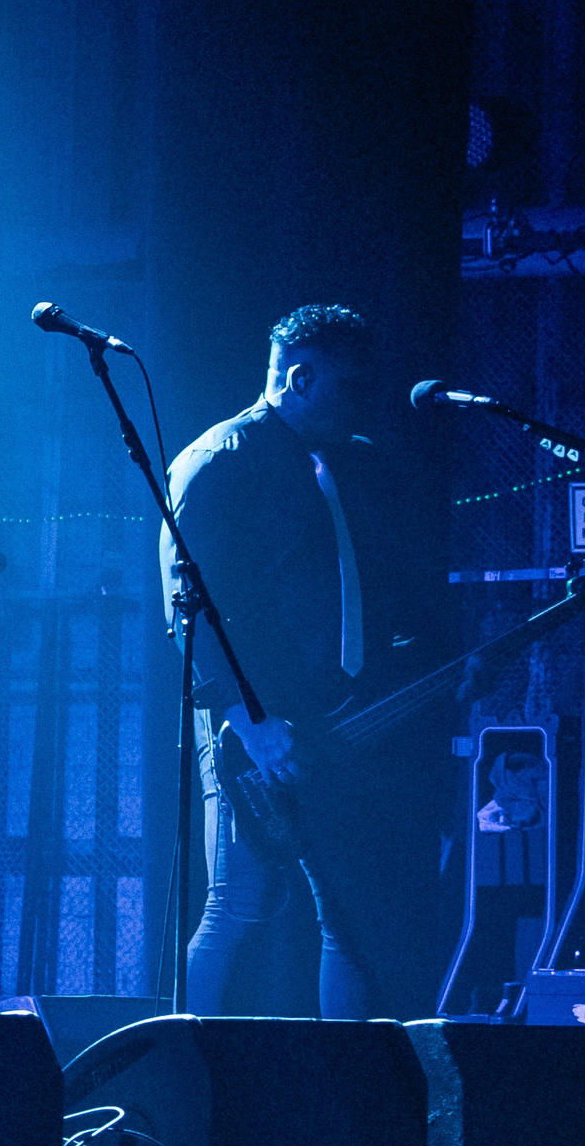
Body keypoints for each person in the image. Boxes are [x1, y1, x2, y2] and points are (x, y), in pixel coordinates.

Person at [163, 302, 435, 1019]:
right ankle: (169, 1067)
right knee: (237, 904)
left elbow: (375, 590)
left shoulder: (355, 463)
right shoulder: (220, 460)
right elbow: (191, 607)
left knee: (345, 915)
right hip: (253, 724)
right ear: (300, 378)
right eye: (350, 387)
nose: (363, 402)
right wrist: (247, 717)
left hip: (340, 720)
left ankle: (339, 1073)